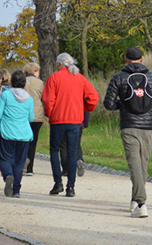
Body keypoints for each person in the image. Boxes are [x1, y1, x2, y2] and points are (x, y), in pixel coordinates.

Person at [104, 46, 152, 218]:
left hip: (129, 125)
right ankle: (135, 200)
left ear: (126, 59)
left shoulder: (118, 78)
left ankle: (141, 203)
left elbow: (108, 104)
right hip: (148, 127)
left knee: (134, 164)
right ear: (141, 59)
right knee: (142, 164)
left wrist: (123, 105)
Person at [42, 52, 99, 198]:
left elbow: (48, 100)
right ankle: (71, 187)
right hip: (75, 120)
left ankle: (58, 182)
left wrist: (49, 113)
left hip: (58, 120)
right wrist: (84, 108)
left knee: (54, 150)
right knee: (73, 152)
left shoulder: (54, 77)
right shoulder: (80, 78)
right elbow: (93, 97)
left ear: (60, 64)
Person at [0, 70, 34, 198]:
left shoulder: (6, 95)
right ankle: (16, 190)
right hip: (24, 135)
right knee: (20, 162)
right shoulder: (29, 99)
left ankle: (8, 175)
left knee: (4, 159)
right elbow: (31, 117)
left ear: (11, 83)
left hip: (7, 133)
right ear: (25, 84)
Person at [22, 63, 45, 176]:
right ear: (35, 71)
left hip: (24, 115)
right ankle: (30, 168)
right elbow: (44, 98)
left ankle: (22, 164)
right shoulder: (40, 83)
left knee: (23, 140)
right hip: (37, 115)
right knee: (33, 141)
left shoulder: (22, 81)